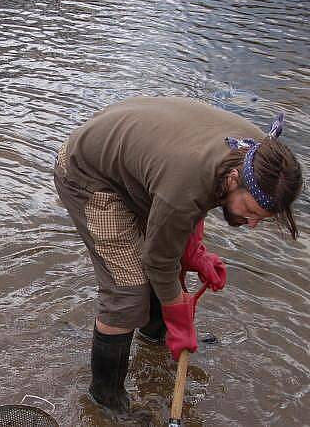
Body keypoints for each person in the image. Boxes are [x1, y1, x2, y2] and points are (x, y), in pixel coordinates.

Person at [53, 96, 302, 416]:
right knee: (128, 292)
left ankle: (153, 339)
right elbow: (160, 257)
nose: (252, 224)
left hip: (142, 168)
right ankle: (106, 399)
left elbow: (192, 206)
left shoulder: (260, 160)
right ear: (234, 180)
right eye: (251, 211)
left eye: (261, 218)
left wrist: (194, 253)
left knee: (167, 269)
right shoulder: (191, 179)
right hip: (89, 175)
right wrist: (179, 320)